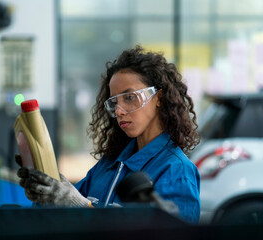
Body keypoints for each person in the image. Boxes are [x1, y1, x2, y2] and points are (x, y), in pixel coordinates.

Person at [17, 45, 201, 224]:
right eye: (114, 102)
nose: (119, 111)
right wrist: (47, 192)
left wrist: (79, 206)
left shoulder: (176, 172)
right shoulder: (110, 165)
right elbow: (64, 212)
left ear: (158, 98)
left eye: (129, 97)